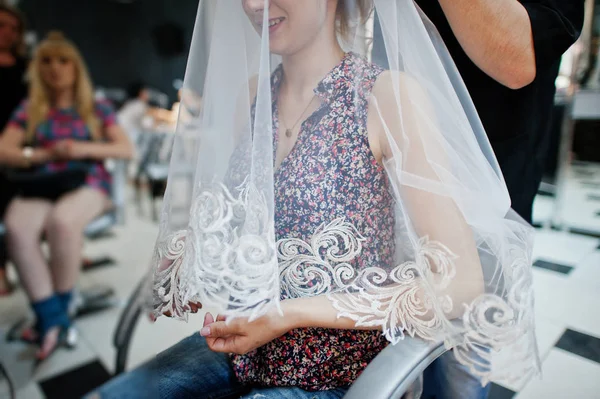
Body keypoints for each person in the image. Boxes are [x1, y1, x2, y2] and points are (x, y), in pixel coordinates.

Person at [90, 1, 538, 398]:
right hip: (243, 350)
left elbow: (460, 285)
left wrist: (289, 314)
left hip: (338, 374)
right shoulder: (252, 97)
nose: (252, 4)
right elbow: (251, 228)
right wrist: (191, 264)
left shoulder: (386, 97)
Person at [372, 2, 585, 398]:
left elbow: (516, 58)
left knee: (458, 374)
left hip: (482, 196)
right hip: (387, 180)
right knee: (385, 359)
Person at [0, 31, 132, 361]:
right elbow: (4, 150)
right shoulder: (30, 109)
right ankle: (53, 316)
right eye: (46, 61)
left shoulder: (96, 107)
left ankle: (54, 314)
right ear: (37, 68)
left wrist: (78, 149)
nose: (55, 68)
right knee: (17, 227)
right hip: (42, 184)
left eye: (63, 60)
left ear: (76, 67)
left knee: (62, 222)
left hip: (88, 181)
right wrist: (42, 156)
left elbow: (125, 149)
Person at [0, 4, 28, 296]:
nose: (6, 32)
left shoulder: (25, 66)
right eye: (1, 25)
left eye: (12, 27)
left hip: (23, 143)